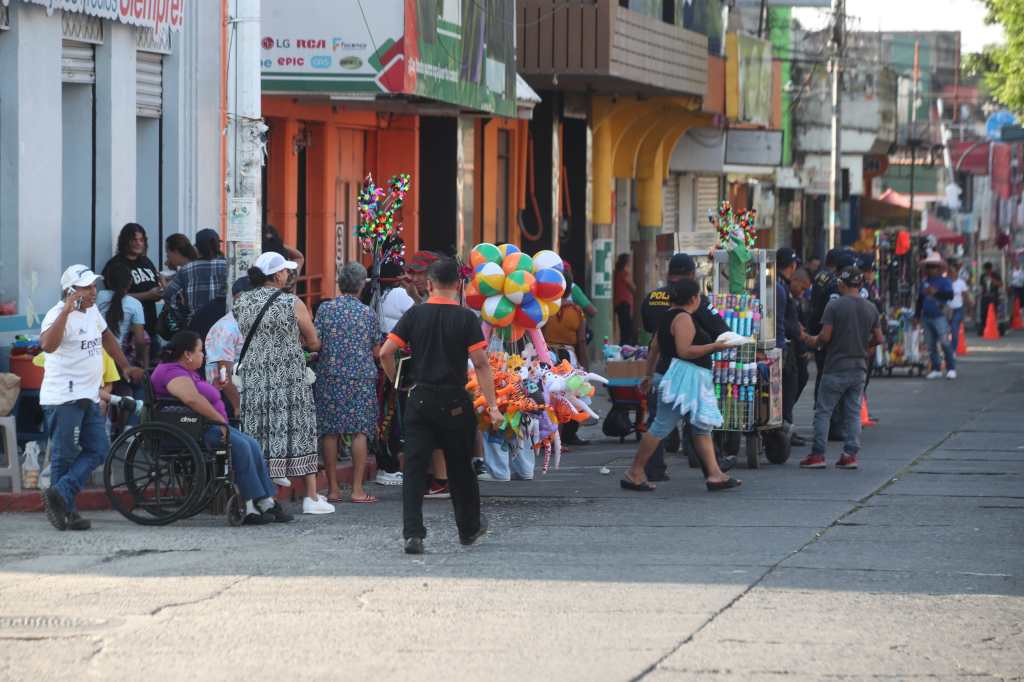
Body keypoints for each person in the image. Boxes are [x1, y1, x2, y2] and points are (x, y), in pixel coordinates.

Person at [380, 257, 502, 555]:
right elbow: (481, 364)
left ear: (431, 284)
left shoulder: (415, 315)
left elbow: (386, 352)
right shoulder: (466, 319)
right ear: (459, 285)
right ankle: (468, 528)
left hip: (419, 398)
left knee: (415, 468)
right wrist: (493, 405)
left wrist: (399, 382)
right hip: (455, 401)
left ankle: (413, 533)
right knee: (461, 468)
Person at [38, 265, 145, 531]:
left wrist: (125, 367)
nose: (93, 291)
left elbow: (107, 337)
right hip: (64, 397)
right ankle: (68, 510)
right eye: (87, 287)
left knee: (98, 449)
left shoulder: (93, 312)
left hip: (89, 393)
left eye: (94, 286)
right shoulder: (56, 314)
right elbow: (47, 345)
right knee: (65, 455)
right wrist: (66, 310)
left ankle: (61, 493)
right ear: (70, 291)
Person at [150, 331, 293, 525]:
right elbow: (191, 399)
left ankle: (265, 500)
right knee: (241, 447)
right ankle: (252, 504)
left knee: (251, 444)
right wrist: (220, 420)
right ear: (187, 355)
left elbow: (197, 394)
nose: (204, 356)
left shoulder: (185, 372)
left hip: (207, 425)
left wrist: (214, 388)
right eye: (201, 351)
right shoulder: (172, 372)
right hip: (195, 429)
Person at [622, 278, 741, 492]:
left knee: (701, 426)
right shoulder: (683, 318)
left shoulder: (667, 316)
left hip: (679, 377)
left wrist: (649, 375)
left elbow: (655, 347)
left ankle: (715, 474)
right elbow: (684, 351)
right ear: (694, 298)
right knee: (662, 425)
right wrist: (714, 346)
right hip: (683, 380)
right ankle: (635, 472)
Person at [235, 252, 331, 515]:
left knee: (258, 430)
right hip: (287, 375)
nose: (289, 274)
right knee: (299, 428)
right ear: (277, 275)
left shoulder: (241, 301)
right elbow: (313, 341)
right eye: (286, 271)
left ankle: (263, 491)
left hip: (255, 375)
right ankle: (310, 497)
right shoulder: (291, 303)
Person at [800, 268, 883, 470]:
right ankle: (850, 455)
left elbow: (825, 337)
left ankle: (818, 455)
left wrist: (810, 340)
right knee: (853, 413)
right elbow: (879, 338)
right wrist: (865, 346)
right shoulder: (870, 307)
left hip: (835, 367)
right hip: (859, 368)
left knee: (824, 411)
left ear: (842, 284)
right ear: (860, 285)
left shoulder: (834, 306)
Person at [314, 262, 380, 504]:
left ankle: (332, 489)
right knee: (359, 431)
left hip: (329, 375)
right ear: (361, 284)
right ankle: (357, 489)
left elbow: (316, 342)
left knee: (330, 431)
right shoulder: (368, 313)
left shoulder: (325, 310)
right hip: (361, 377)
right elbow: (376, 350)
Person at [808, 248, 854, 441]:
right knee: (835, 382)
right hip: (831, 336)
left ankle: (822, 421)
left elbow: (814, 309)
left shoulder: (820, 278)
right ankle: (833, 425)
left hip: (819, 333)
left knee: (823, 379)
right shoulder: (836, 284)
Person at [542, 263, 590, 447]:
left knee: (550, 398)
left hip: (547, 356)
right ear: (570, 288)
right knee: (570, 397)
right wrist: (585, 366)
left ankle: (552, 438)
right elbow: (582, 342)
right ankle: (564, 438)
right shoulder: (577, 312)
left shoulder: (545, 309)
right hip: (569, 359)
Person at [101, 223, 163, 338]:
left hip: (149, 326)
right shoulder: (115, 265)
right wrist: (147, 295)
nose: (138, 243)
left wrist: (159, 292)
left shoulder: (146, 262)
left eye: (141, 240)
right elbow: (114, 296)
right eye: (134, 240)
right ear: (125, 241)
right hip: (126, 330)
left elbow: (154, 287)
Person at [204, 276, 252, 416]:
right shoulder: (226, 329)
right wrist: (237, 405)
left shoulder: (247, 322)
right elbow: (223, 374)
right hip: (227, 398)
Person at [162, 228, 228, 327]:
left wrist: (182, 317)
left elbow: (169, 295)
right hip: (223, 326)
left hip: (196, 326)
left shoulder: (186, 269)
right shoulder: (227, 266)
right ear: (217, 245)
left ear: (197, 248)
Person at [96, 263, 149, 371]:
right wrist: (138, 360)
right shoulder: (135, 304)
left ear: (108, 282)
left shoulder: (99, 296)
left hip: (96, 354)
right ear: (130, 283)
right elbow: (140, 340)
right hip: (118, 358)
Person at [784, 269, 813, 447]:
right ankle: (786, 425)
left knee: (798, 382)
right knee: (791, 386)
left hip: (797, 347)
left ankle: (787, 423)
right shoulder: (783, 293)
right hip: (790, 348)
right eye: (801, 288)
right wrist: (797, 331)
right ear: (794, 280)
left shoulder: (796, 299)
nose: (802, 292)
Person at [916, 253, 956, 380]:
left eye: (933, 266)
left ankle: (951, 368)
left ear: (939, 268)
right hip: (926, 316)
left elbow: (950, 296)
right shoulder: (924, 282)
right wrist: (917, 316)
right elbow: (920, 300)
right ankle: (936, 368)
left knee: (945, 342)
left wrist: (936, 293)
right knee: (930, 344)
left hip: (940, 316)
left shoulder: (945, 281)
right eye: (929, 266)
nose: (931, 269)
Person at [613, 254, 637, 345]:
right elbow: (633, 287)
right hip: (624, 303)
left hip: (619, 303)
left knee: (624, 326)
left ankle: (624, 344)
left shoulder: (617, 273)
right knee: (627, 328)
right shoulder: (625, 272)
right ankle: (626, 346)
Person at [948, 260, 970, 356]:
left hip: (958, 309)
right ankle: (946, 349)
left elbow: (966, 296)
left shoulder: (961, 283)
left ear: (957, 272)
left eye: (954, 272)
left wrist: (969, 307)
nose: (952, 274)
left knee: (954, 329)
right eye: (950, 272)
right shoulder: (946, 282)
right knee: (945, 330)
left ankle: (953, 349)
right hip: (947, 310)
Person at [978, 262, 1002, 336]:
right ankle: (984, 328)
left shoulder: (996, 275)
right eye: (986, 270)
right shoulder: (982, 276)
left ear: (991, 269)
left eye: (988, 270)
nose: (987, 271)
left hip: (993, 296)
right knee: (983, 313)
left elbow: (1000, 284)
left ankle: (994, 328)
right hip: (985, 296)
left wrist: (992, 279)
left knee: (993, 312)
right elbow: (981, 286)